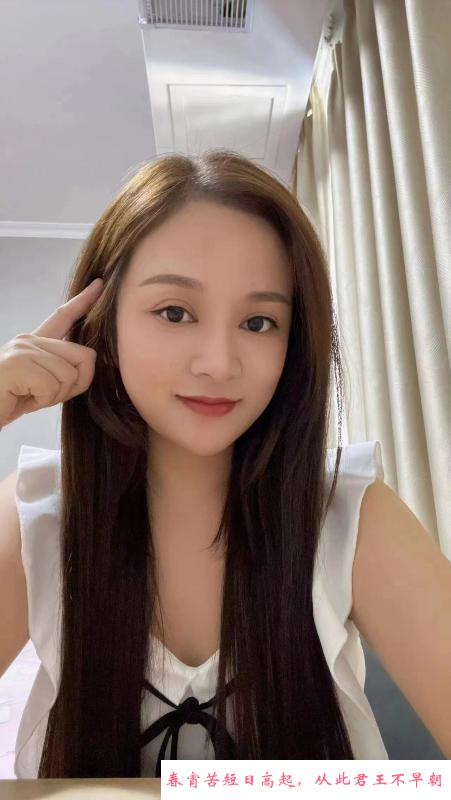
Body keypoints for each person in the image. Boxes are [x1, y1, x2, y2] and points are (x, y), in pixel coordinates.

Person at [0, 150, 400, 777]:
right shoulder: (38, 514)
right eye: (175, 313)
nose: (218, 362)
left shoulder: (348, 512)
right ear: (102, 325)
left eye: (259, 322)